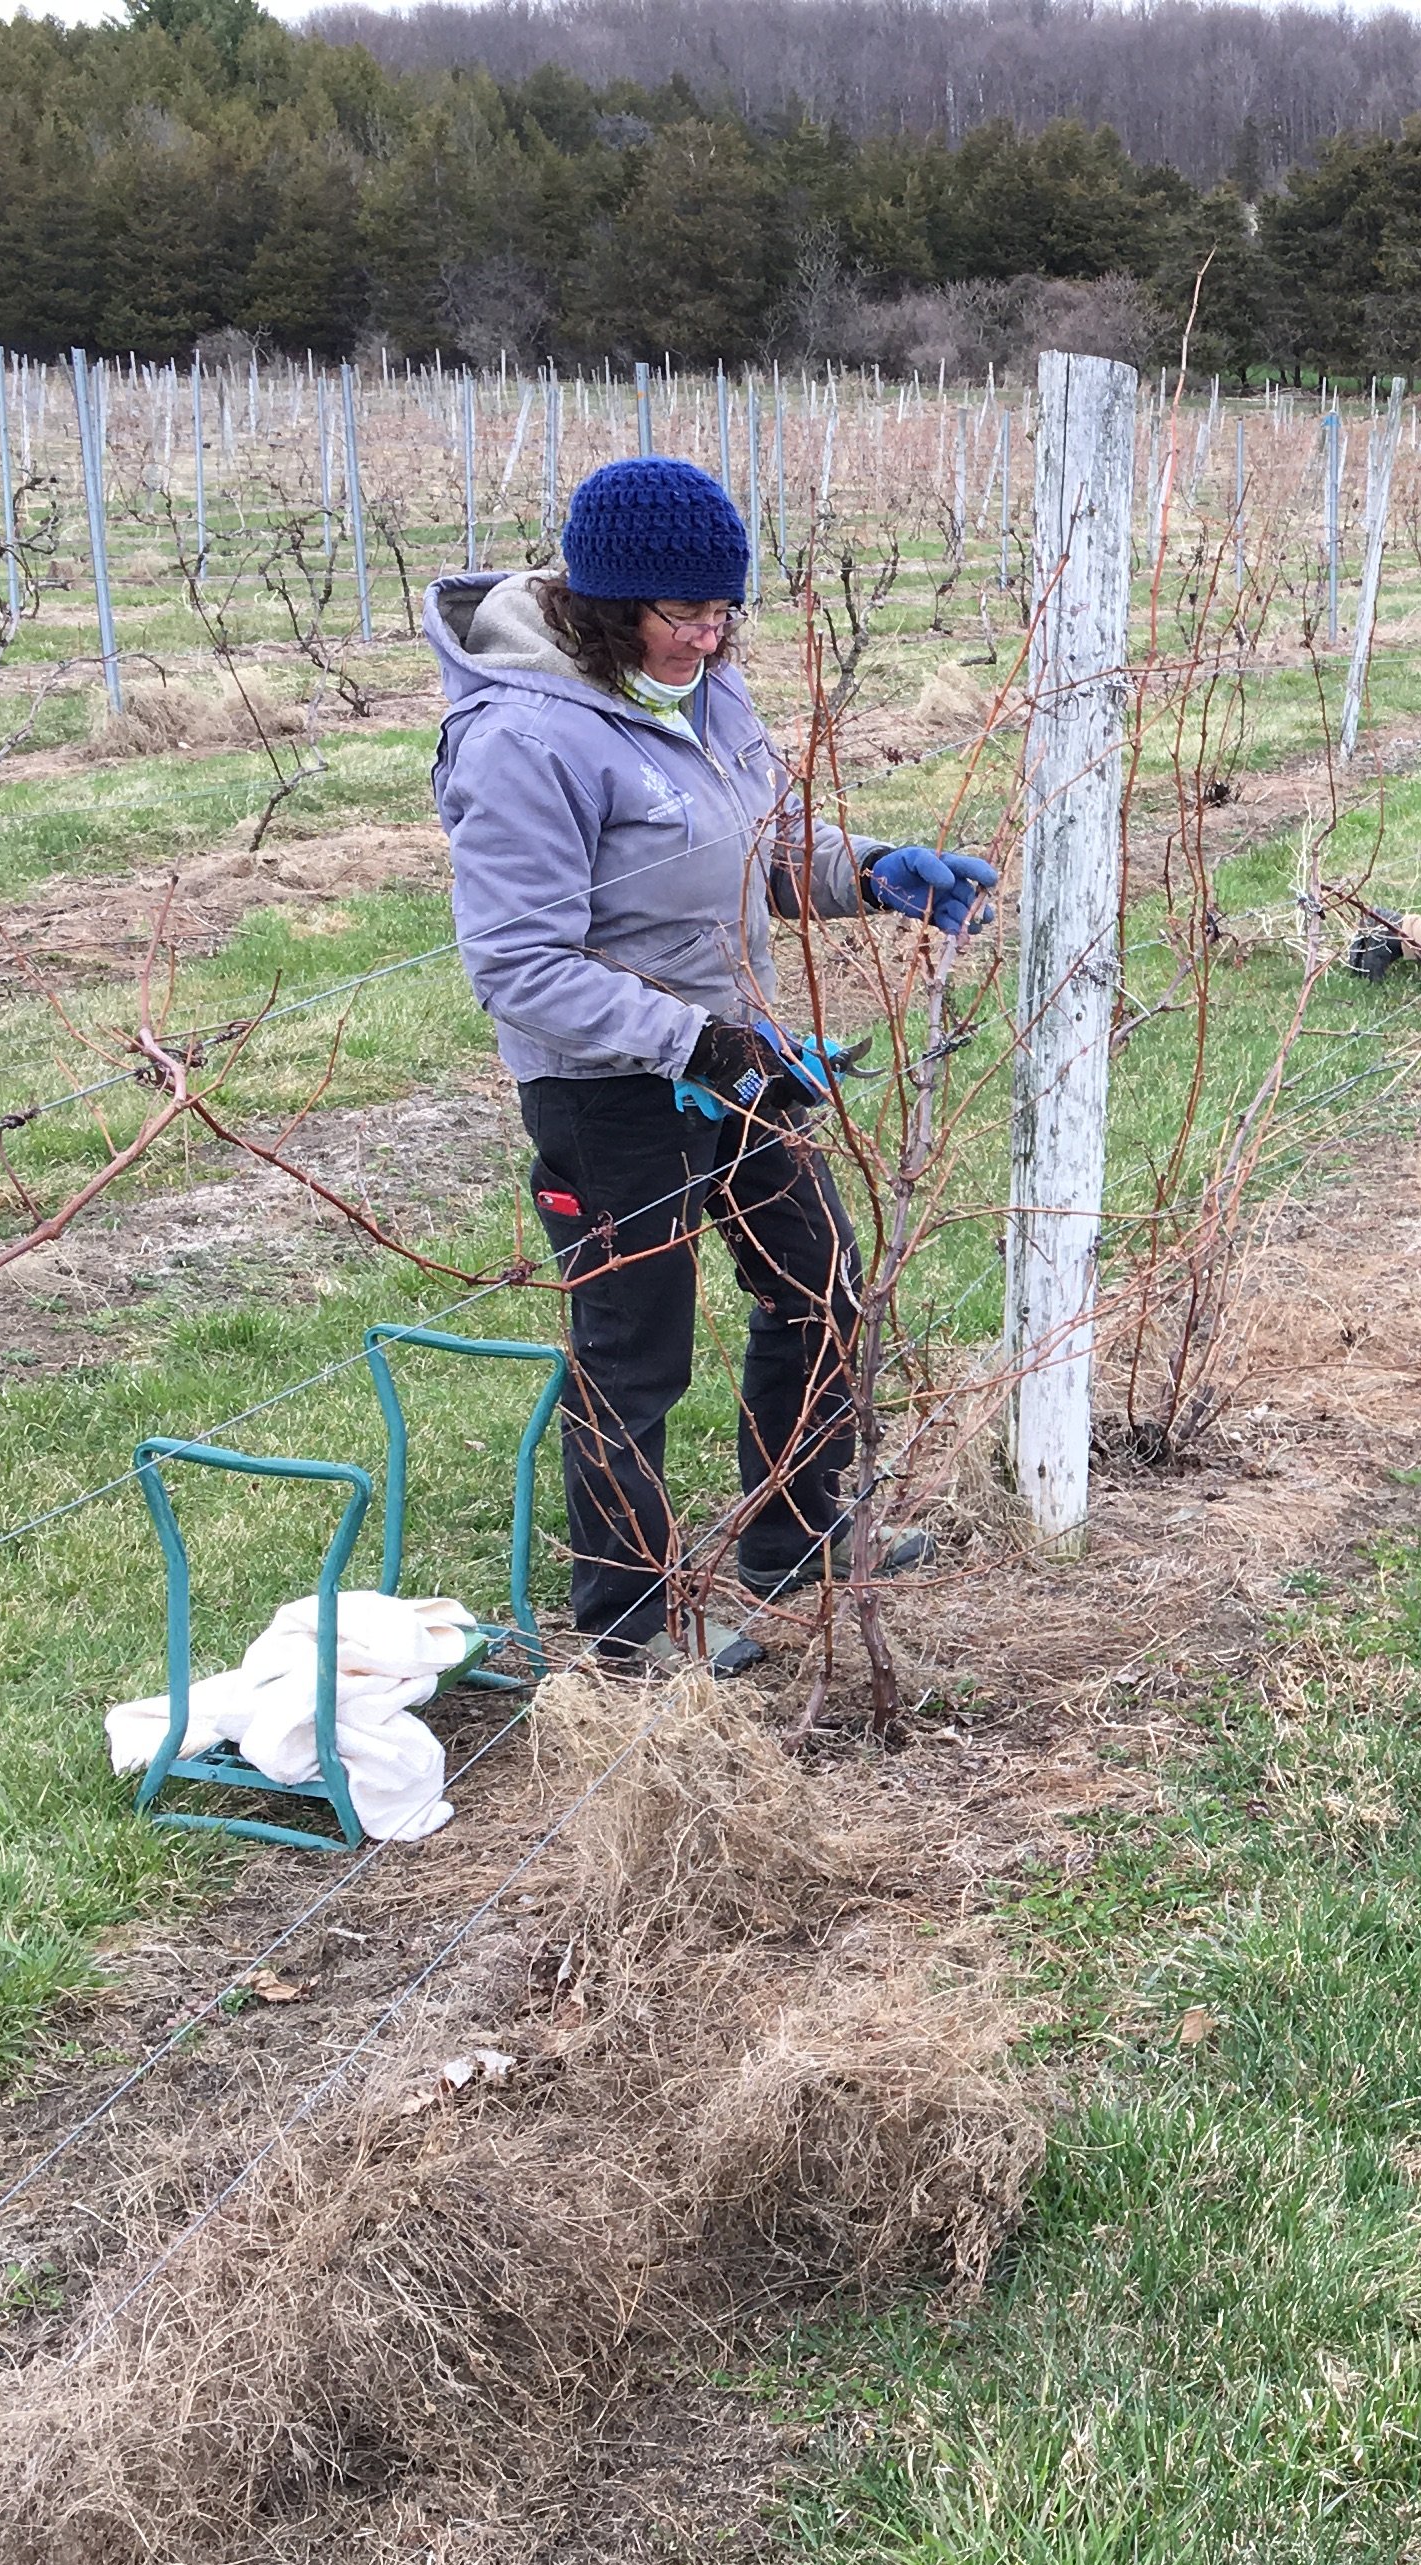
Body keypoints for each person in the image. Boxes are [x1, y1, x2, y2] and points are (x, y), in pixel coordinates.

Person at [426, 455, 994, 1672]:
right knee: (638, 1349)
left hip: (736, 1059)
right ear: (602, 601)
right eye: (682, 613)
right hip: (607, 1088)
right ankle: (627, 1631)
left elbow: (764, 843)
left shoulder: (707, 690)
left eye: (725, 611)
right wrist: (702, 1043)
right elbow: (519, 964)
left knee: (822, 1282)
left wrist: (872, 868)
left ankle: (794, 1533)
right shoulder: (522, 736)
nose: (709, 634)